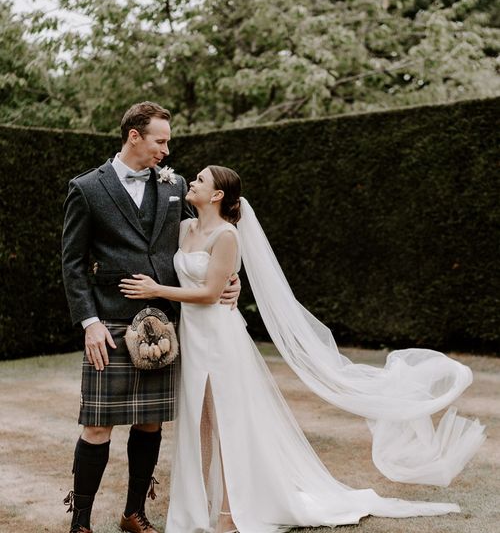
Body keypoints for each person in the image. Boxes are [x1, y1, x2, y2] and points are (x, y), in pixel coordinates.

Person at [120, 165, 485, 533]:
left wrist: (157, 291)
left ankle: (230, 514)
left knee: (224, 424)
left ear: (216, 195)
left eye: (200, 180)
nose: (191, 182)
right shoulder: (185, 228)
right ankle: (198, 509)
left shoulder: (227, 235)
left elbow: (212, 293)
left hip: (219, 339)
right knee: (199, 424)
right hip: (192, 338)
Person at [61, 103, 240, 533]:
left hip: (163, 325)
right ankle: (81, 523)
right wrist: (90, 323)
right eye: (161, 140)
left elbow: (200, 245)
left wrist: (230, 283)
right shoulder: (87, 188)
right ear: (134, 137)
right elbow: (72, 264)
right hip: (110, 325)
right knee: (98, 426)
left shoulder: (176, 184)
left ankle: (134, 513)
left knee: (149, 423)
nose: (167, 148)